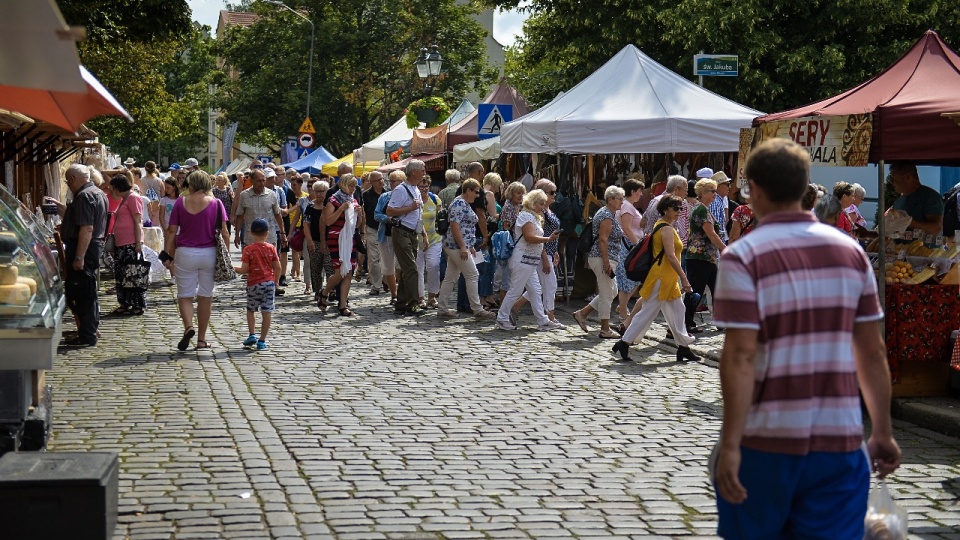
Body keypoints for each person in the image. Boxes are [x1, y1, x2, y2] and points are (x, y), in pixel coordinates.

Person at [711, 138, 901, 538]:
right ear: (804, 189)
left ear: (755, 190)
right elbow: (871, 349)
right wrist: (881, 429)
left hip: (766, 442)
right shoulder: (850, 252)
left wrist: (729, 445)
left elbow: (742, 356)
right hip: (840, 444)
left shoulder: (742, 257)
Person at [611, 194, 698, 362]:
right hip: (662, 278)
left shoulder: (666, 226)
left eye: (681, 208)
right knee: (647, 312)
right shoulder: (665, 228)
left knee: (678, 310)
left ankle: (683, 347)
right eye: (675, 208)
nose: (679, 211)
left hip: (667, 278)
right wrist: (685, 279)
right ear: (665, 210)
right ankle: (624, 342)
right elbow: (671, 257)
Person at [162, 170, 229, 351]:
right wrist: (226, 256)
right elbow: (224, 232)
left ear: (191, 184)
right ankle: (201, 340)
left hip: (185, 253)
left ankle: (188, 327)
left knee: (185, 295)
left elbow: (171, 230)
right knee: (205, 296)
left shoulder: (180, 203)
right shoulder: (216, 203)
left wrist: (167, 253)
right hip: (209, 253)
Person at [50, 163, 108, 347]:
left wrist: (79, 256)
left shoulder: (84, 196)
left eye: (68, 181)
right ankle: (90, 330)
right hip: (93, 246)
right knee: (88, 290)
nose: (68, 185)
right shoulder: (97, 192)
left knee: (82, 292)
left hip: (85, 248)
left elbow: (87, 228)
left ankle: (87, 334)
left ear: (74, 179)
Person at [496, 189, 562, 331]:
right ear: (532, 203)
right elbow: (529, 237)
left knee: (536, 290)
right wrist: (548, 239)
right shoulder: (525, 216)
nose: (543, 206)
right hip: (522, 259)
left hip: (530, 260)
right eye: (540, 203)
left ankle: (542, 320)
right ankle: (502, 318)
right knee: (516, 290)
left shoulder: (534, 217)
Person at [436, 178, 496, 320]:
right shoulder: (459, 203)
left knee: (451, 277)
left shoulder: (463, 203)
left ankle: (442, 308)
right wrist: (463, 247)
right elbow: (455, 226)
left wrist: (469, 246)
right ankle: (477, 309)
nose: (477, 196)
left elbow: (464, 227)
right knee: (472, 275)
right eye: (476, 192)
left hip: (458, 246)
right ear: (468, 190)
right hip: (456, 246)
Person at [572, 185, 626, 339]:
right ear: (610, 199)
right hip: (602, 257)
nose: (622, 202)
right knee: (607, 292)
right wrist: (606, 262)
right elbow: (603, 240)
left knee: (611, 291)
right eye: (619, 199)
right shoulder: (607, 216)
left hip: (605, 257)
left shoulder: (608, 213)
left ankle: (583, 313)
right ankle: (605, 328)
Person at [684, 178, 727, 333]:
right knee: (696, 291)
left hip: (708, 257)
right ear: (702, 193)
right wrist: (725, 249)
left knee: (717, 289)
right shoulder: (701, 209)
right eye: (712, 191)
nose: (715, 194)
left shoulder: (704, 208)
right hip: (699, 257)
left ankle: (720, 320)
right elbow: (711, 234)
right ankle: (685, 322)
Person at [318, 174, 363, 316]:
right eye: (351, 185)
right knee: (339, 271)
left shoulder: (353, 200)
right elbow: (328, 221)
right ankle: (325, 292)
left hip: (350, 239)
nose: (353, 188)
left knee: (348, 271)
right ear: (343, 184)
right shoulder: (333, 200)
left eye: (354, 186)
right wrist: (341, 209)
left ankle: (343, 305)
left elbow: (358, 224)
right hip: (336, 239)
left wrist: (359, 214)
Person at [233, 218, 280, 351]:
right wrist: (275, 281)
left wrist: (231, 267)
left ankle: (252, 334)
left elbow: (244, 270)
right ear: (267, 233)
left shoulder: (248, 250)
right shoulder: (271, 248)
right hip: (269, 284)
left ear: (252, 233)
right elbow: (278, 267)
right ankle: (262, 341)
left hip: (253, 284)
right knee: (267, 311)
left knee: (251, 309)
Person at [386, 160, 424, 315]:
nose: (424, 172)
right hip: (402, 232)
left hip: (412, 232)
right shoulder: (401, 190)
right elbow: (389, 211)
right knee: (411, 269)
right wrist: (410, 207)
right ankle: (414, 303)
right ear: (414, 172)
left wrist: (422, 233)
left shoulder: (415, 189)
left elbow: (418, 214)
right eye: (422, 169)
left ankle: (402, 302)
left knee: (407, 269)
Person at [108, 173, 147, 317]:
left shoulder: (133, 198)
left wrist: (138, 242)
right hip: (122, 243)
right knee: (122, 274)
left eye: (113, 188)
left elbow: (138, 221)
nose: (112, 192)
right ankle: (125, 302)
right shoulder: (124, 199)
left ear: (119, 188)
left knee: (133, 274)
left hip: (130, 243)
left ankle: (136, 304)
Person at [614, 178, 644, 321]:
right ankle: (623, 311)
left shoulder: (628, 205)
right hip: (628, 246)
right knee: (627, 279)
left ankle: (622, 306)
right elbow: (626, 228)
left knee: (633, 279)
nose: (641, 194)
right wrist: (638, 245)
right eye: (639, 191)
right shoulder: (627, 206)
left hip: (629, 245)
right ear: (632, 191)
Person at [890, 161, 944, 236]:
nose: (891, 182)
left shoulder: (929, 197)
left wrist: (909, 222)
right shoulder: (898, 201)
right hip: (900, 247)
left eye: (893, 178)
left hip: (924, 247)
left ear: (908, 177)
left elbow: (936, 228)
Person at [374, 172, 404, 304]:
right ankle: (394, 294)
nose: (391, 183)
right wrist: (388, 219)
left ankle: (402, 292)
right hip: (385, 236)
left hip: (402, 235)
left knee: (401, 265)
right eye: (390, 181)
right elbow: (376, 214)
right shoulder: (384, 197)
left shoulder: (406, 197)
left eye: (394, 181)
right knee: (388, 267)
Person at [416, 174, 443, 308]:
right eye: (421, 186)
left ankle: (432, 296)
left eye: (426, 186)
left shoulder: (435, 199)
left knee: (433, 265)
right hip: (416, 241)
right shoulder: (413, 200)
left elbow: (441, 217)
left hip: (434, 239)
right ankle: (420, 297)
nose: (424, 189)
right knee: (418, 269)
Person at [302, 180, 330, 301]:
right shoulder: (310, 207)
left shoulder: (330, 206)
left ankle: (330, 289)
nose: (319, 194)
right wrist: (309, 241)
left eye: (322, 191)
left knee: (329, 266)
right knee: (316, 267)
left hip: (329, 242)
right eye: (316, 191)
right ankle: (318, 290)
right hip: (315, 241)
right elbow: (306, 224)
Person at [362, 171, 386, 295]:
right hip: (372, 229)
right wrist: (362, 231)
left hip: (387, 229)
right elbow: (362, 213)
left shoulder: (388, 194)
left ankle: (387, 280)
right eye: (378, 180)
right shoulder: (366, 195)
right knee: (374, 258)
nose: (381, 182)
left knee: (386, 258)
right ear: (371, 182)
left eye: (382, 179)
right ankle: (376, 285)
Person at [710, 171, 733, 242]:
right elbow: (716, 229)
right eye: (727, 184)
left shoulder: (718, 201)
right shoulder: (715, 202)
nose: (729, 187)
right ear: (718, 186)